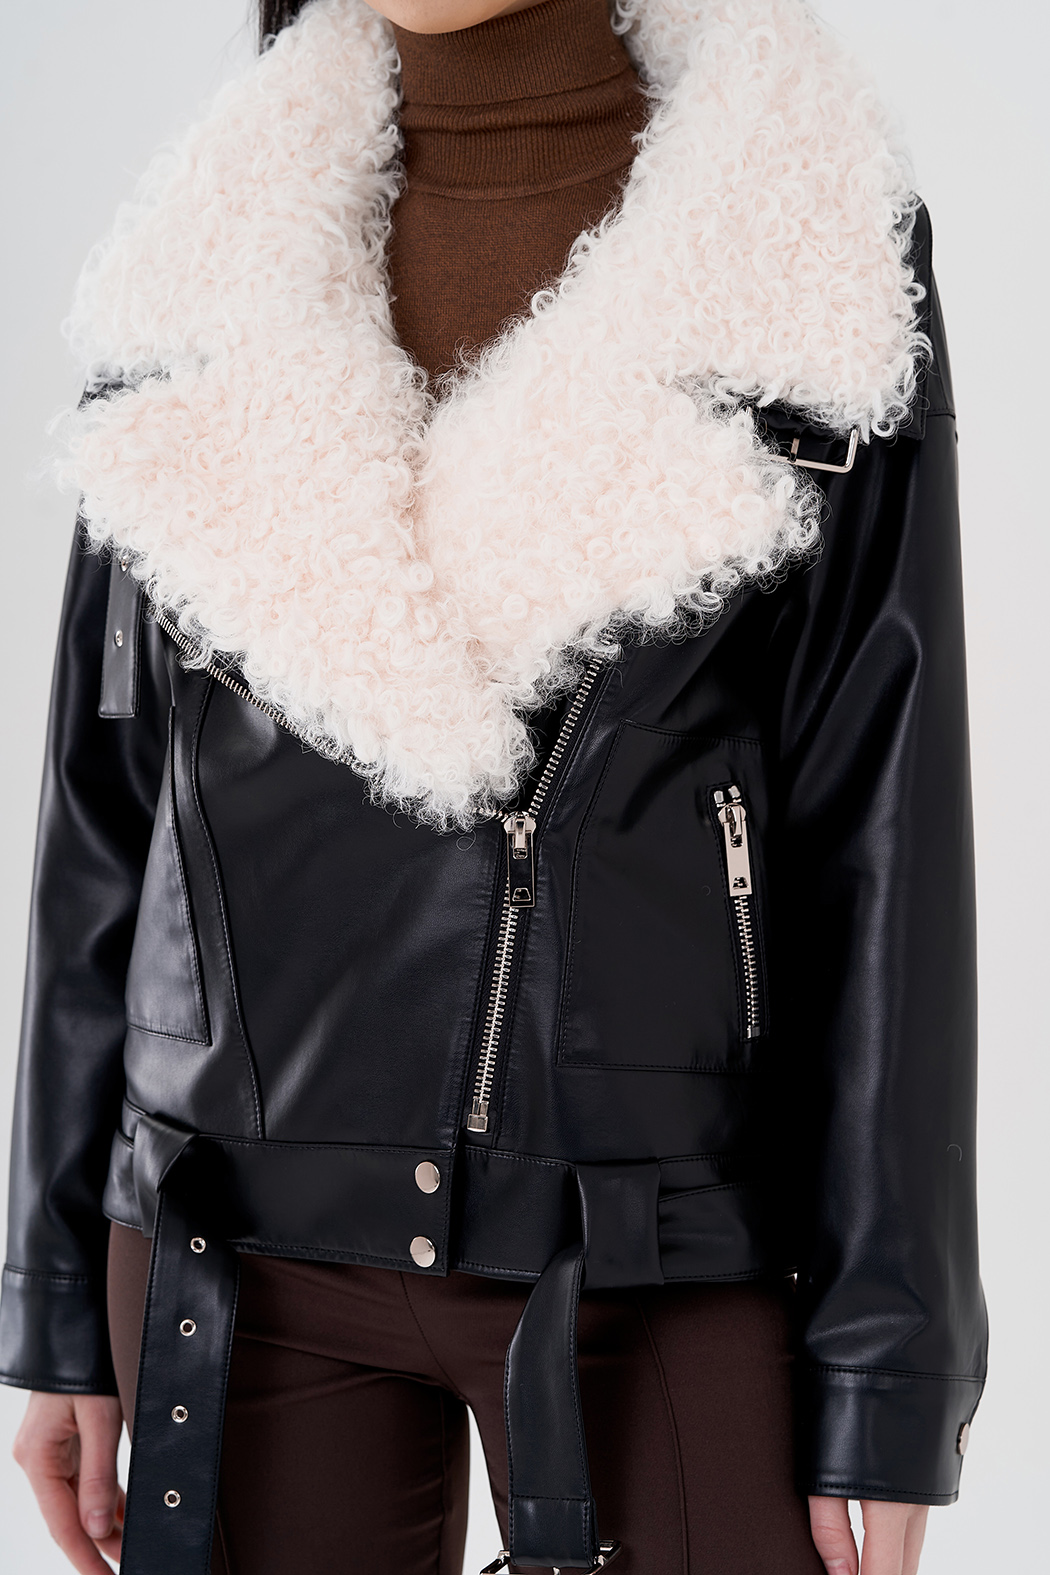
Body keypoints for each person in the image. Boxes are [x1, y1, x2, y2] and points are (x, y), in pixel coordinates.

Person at [1, 1, 986, 1572]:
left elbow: (885, 833)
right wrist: (53, 1290)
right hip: (222, 1238)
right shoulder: (209, 242)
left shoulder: (797, 231)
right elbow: (104, 810)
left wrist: (887, 1368)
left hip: (651, 1244)